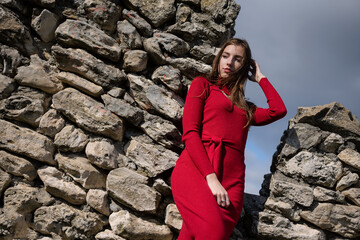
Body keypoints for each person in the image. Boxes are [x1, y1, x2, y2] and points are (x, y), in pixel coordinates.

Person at [171, 38, 287, 239]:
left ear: (245, 66)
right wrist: (212, 179)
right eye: (225, 56)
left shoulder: (245, 109)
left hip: (232, 182)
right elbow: (190, 133)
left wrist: (260, 78)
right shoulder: (203, 85)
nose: (229, 62)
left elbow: (278, 110)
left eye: (237, 59)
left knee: (192, 235)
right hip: (197, 172)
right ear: (219, 58)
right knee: (212, 234)